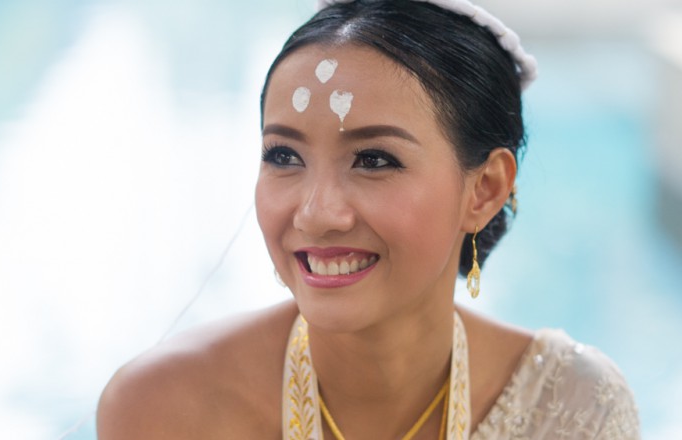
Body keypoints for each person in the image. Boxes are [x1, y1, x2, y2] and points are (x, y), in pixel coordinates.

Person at [96, 0, 640, 438]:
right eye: (284, 155)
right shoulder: (162, 408)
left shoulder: (575, 408)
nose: (316, 214)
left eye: (375, 160)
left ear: (485, 189)